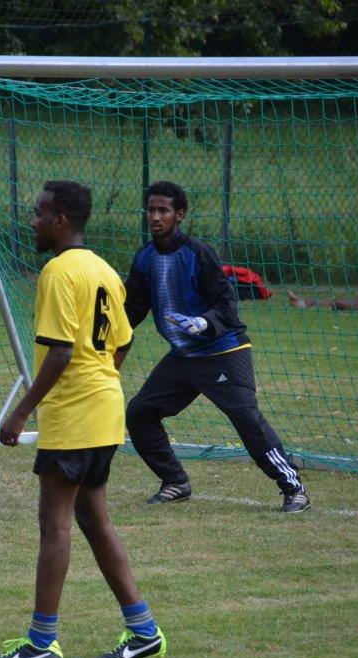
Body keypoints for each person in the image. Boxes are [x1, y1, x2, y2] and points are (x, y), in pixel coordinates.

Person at [0, 181, 165, 658]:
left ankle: (42, 641)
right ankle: (144, 630)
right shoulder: (103, 269)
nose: (33, 221)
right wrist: (100, 377)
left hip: (74, 415)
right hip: (104, 409)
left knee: (55, 526)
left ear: (60, 220)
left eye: (40, 213)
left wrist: (21, 411)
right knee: (93, 519)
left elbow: (61, 351)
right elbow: (123, 340)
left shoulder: (58, 271)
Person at [123, 180, 309, 513]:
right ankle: (175, 482)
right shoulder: (144, 258)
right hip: (182, 357)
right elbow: (132, 310)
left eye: (163, 210)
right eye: (151, 210)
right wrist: (100, 326)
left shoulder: (198, 252)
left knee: (246, 419)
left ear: (180, 214)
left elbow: (227, 304)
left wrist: (204, 323)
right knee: (139, 413)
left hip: (223, 352)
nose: (155, 217)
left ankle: (294, 487)